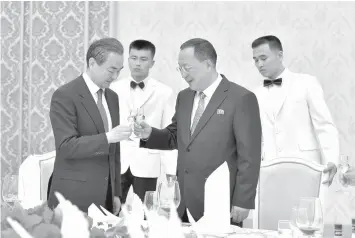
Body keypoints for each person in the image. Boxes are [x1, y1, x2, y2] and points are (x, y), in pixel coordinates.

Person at [134, 38, 262, 226]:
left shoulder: (241, 98)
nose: (183, 74)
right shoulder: (184, 97)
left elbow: (250, 156)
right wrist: (150, 134)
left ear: (208, 64)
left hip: (219, 202)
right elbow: (175, 135)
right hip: (183, 201)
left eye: (187, 67)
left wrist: (243, 201)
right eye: (180, 69)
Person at [47, 38, 132, 214]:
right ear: (92, 63)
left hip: (105, 197)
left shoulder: (112, 97)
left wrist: (115, 192)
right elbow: (66, 146)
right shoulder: (65, 95)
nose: (115, 77)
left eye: (119, 71)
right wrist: (108, 137)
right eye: (111, 70)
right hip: (73, 196)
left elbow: (114, 151)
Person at [251, 35, 339, 185]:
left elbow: (324, 125)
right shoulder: (255, 94)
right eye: (255, 60)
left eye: (263, 58)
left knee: (307, 208)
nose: (259, 64)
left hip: (306, 166)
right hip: (270, 171)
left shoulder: (306, 83)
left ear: (280, 55)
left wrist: (331, 159)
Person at [110, 39, 177, 203]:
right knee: (112, 210)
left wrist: (171, 171)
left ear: (152, 63)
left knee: (147, 212)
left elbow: (169, 133)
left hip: (147, 162)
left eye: (143, 59)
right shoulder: (113, 88)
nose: (137, 63)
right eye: (133, 58)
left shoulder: (164, 92)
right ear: (128, 60)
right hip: (119, 160)